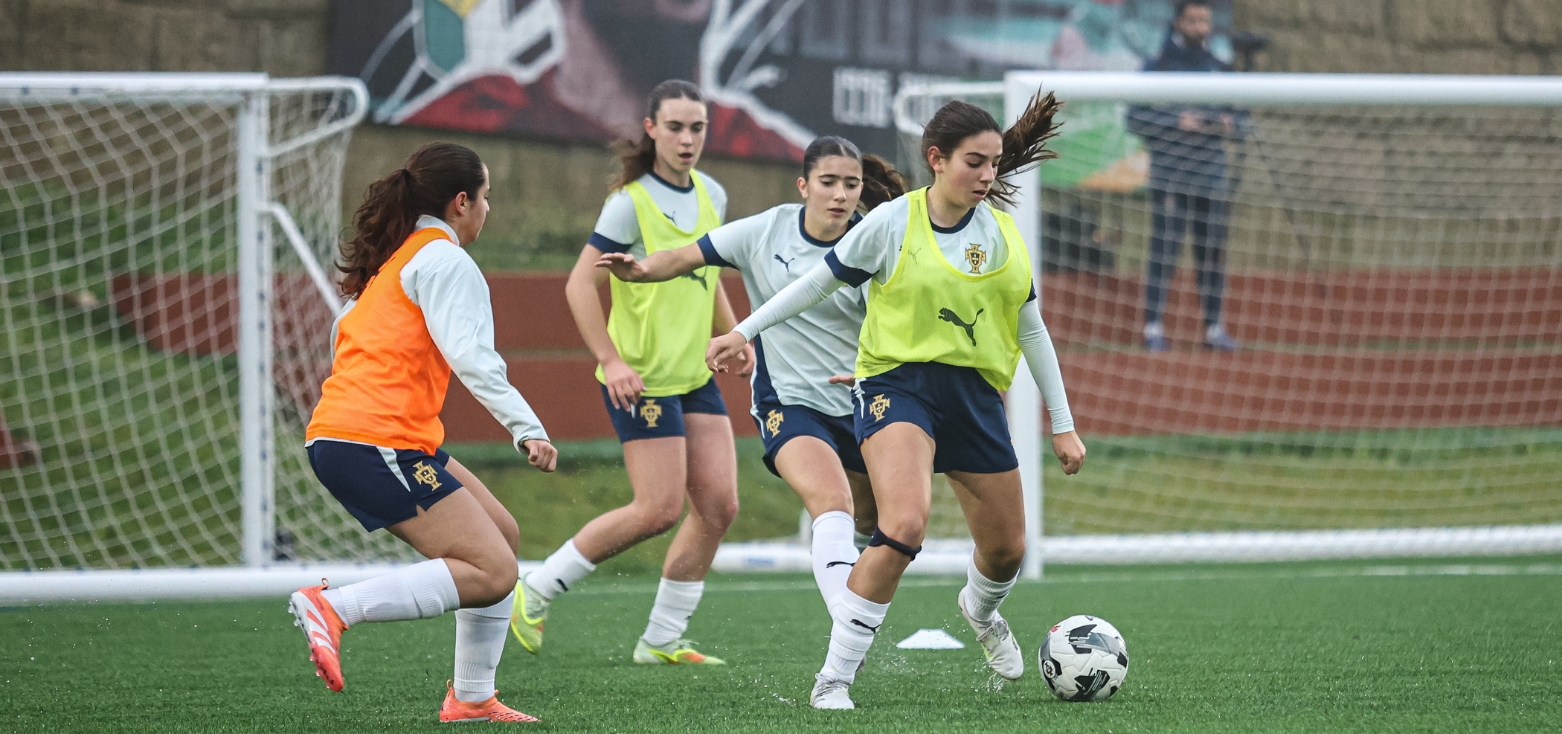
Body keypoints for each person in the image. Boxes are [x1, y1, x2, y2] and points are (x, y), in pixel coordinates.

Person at [708, 93, 1087, 710]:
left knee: (1006, 550)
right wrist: (742, 332)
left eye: (994, 164)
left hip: (973, 397)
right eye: (974, 163)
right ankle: (833, 679)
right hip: (896, 386)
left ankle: (980, 611)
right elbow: (814, 284)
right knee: (904, 524)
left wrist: (1063, 425)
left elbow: (1032, 330)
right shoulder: (891, 223)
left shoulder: (1001, 235)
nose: (987, 176)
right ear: (936, 159)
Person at [292, 142, 558, 723]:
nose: (488, 209)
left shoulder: (398, 260)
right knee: (493, 570)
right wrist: (527, 428)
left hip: (367, 437)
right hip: (372, 441)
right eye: (486, 197)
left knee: (502, 536)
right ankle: (334, 608)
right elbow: (472, 357)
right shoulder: (444, 260)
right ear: (461, 202)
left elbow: (349, 341)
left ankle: (471, 697)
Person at [596, 135, 905, 625]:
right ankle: (848, 628)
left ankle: (862, 600)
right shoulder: (767, 231)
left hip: (863, 402)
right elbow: (684, 256)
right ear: (803, 186)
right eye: (828, 182)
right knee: (833, 503)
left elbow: (904, 323)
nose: (840, 195)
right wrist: (642, 270)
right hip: (791, 404)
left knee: (881, 522)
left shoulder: (876, 242)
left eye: (851, 185)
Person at [513, 79, 750, 666]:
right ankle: (535, 588)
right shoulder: (630, 203)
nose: (687, 139)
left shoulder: (714, 194)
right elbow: (579, 285)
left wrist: (736, 333)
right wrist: (610, 360)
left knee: (719, 507)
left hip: (693, 376)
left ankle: (661, 639)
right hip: (641, 380)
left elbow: (710, 274)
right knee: (658, 509)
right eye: (675, 127)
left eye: (697, 128)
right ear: (651, 129)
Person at [1126, 0, 1241, 352]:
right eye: (1193, 20)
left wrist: (1228, 124)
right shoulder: (1156, 68)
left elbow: (1243, 117)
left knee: (1211, 254)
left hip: (1211, 178)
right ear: (1177, 22)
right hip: (1170, 178)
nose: (1200, 27)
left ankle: (1214, 329)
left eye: (1205, 20)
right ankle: (1153, 328)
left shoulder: (1221, 69)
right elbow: (1135, 119)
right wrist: (1176, 122)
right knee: (1163, 252)